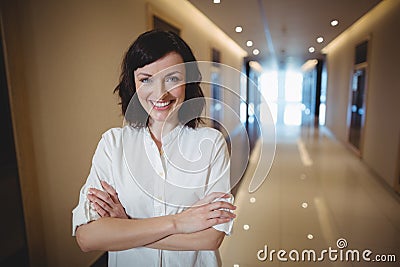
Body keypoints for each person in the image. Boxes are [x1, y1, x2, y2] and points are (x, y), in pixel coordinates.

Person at [72, 30, 236, 267]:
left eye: (172, 78)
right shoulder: (112, 145)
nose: (160, 93)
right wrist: (178, 223)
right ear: (133, 82)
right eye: (146, 79)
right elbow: (87, 237)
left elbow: (211, 237)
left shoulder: (212, 144)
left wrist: (126, 226)